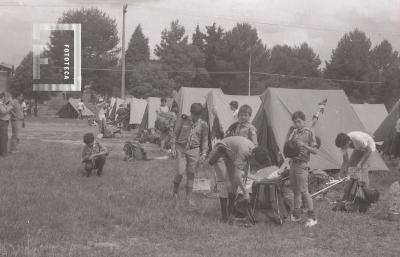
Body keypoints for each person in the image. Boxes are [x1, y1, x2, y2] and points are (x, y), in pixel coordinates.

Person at [208, 136, 269, 223]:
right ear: (253, 155)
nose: (255, 164)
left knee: (234, 184)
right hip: (219, 152)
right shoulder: (244, 151)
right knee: (225, 182)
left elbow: (241, 174)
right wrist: (245, 192)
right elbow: (237, 175)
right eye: (256, 162)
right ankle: (224, 218)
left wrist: (257, 179)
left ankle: (230, 214)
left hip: (229, 155)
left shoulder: (254, 150)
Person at [171, 103, 209, 208]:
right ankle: (175, 192)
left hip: (194, 150)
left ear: (200, 115)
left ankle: (188, 198)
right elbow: (175, 134)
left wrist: (204, 152)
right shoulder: (183, 120)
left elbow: (205, 140)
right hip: (181, 148)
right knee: (180, 171)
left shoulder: (203, 124)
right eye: (193, 115)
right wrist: (173, 147)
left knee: (191, 173)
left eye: (197, 115)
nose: (195, 117)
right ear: (190, 112)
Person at [286, 111, 318, 227]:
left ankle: (312, 218)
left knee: (304, 191)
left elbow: (315, 151)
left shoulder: (309, 132)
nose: (297, 124)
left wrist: (304, 145)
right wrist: (288, 134)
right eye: (295, 122)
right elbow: (288, 146)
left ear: (304, 121)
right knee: (295, 191)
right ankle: (296, 215)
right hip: (293, 163)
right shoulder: (294, 132)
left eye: (299, 121)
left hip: (302, 164)